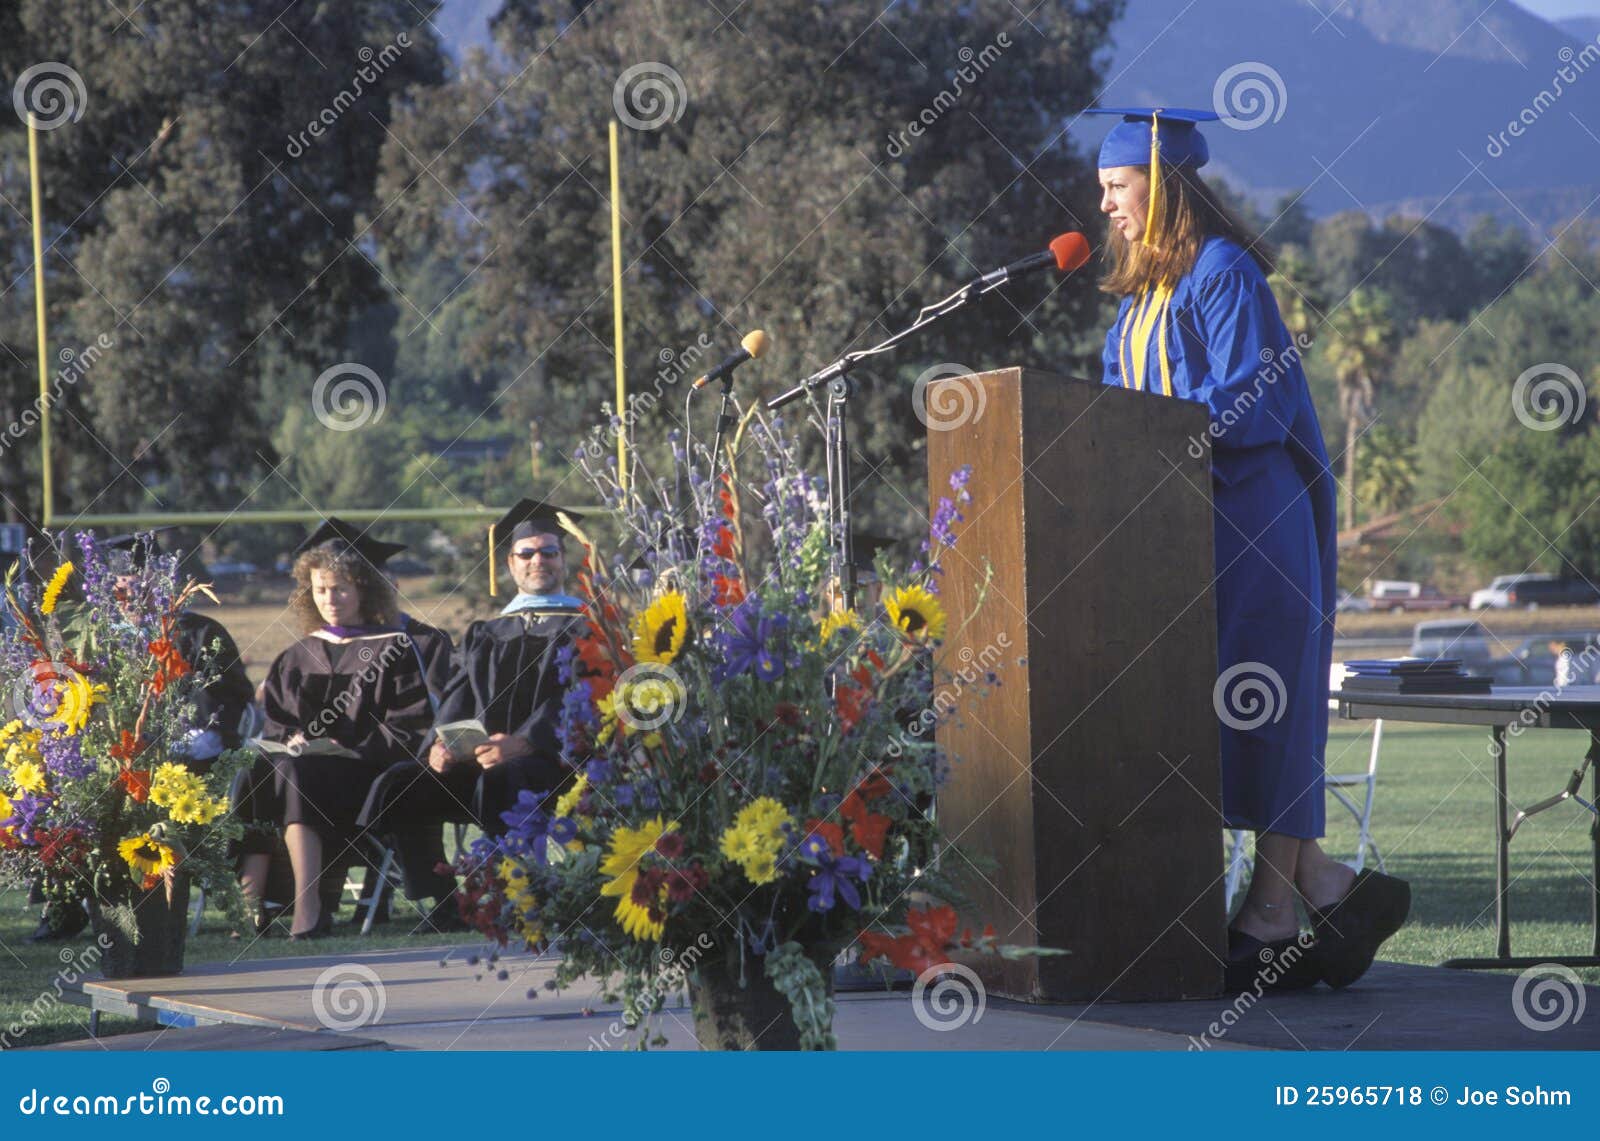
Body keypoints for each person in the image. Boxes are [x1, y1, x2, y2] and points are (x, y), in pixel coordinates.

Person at [1088, 106, 1410, 990]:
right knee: (1216, 721)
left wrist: (1162, 435)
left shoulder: (1225, 275)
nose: (1106, 207)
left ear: (1162, 187)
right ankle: (1324, 893)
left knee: (1261, 715)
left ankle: (1280, 913)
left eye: (1117, 188)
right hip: (1182, 541)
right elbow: (1120, 412)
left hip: (1253, 532)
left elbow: (1255, 407)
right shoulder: (1141, 299)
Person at [356, 499, 586, 921]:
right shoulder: (487, 631)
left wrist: (526, 742)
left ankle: (518, 896)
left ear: (563, 559)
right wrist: (441, 745)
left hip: (555, 764)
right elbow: (458, 697)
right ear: (511, 564)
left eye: (549, 552)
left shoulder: (583, 625)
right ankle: (442, 903)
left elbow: (575, 698)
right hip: (483, 760)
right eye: (527, 553)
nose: (539, 561)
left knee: (503, 776)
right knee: (403, 782)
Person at [239, 520, 432, 939]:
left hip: (368, 780)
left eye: (341, 588)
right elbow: (276, 721)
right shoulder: (297, 655)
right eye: (321, 589)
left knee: (294, 773)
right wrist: (293, 740)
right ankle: (250, 907)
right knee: (255, 772)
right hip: (303, 772)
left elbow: (409, 726)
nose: (330, 600)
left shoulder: (393, 648)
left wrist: (346, 748)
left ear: (365, 588)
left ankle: (308, 910)